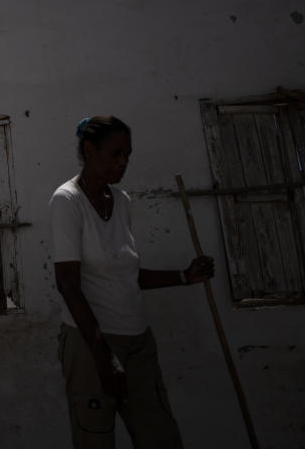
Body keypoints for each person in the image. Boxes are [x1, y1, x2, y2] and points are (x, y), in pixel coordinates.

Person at [50, 115, 215, 449]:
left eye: (128, 155)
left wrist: (185, 276)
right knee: (95, 439)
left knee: (161, 436)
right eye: (115, 154)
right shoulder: (67, 201)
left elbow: (126, 275)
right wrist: (102, 356)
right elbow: (68, 284)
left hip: (138, 340)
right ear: (89, 150)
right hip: (90, 345)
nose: (123, 162)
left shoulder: (121, 201)